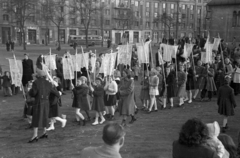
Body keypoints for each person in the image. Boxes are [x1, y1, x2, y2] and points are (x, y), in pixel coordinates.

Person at [28, 69, 60, 143]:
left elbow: (33, 93)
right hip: (46, 102)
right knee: (45, 116)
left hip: (38, 101)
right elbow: (57, 93)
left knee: (36, 117)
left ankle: (35, 135)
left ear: (38, 76)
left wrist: (30, 90)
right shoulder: (48, 83)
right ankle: (44, 132)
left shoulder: (36, 82)